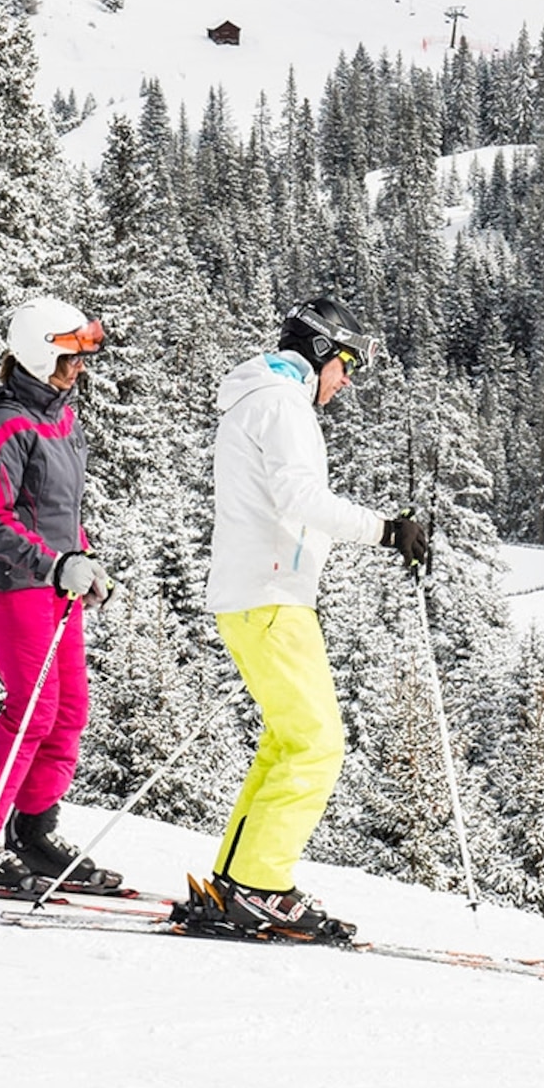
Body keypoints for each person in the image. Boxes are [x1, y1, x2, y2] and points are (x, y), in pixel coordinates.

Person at [194, 297, 428, 943]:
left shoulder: (262, 398)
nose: (347, 380)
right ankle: (261, 886)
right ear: (321, 351)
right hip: (272, 599)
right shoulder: (283, 404)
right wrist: (387, 531)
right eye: (346, 364)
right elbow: (300, 499)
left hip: (254, 597)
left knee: (284, 744)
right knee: (317, 745)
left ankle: (236, 881)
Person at [0, 295, 117, 895]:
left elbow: (62, 510)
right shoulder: (5, 423)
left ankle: (32, 832)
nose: (79, 365)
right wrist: (57, 562)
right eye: (69, 353)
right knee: (31, 709)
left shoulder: (61, 417)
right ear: (38, 355)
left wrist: (83, 559)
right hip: (14, 582)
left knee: (69, 711)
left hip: (58, 579)